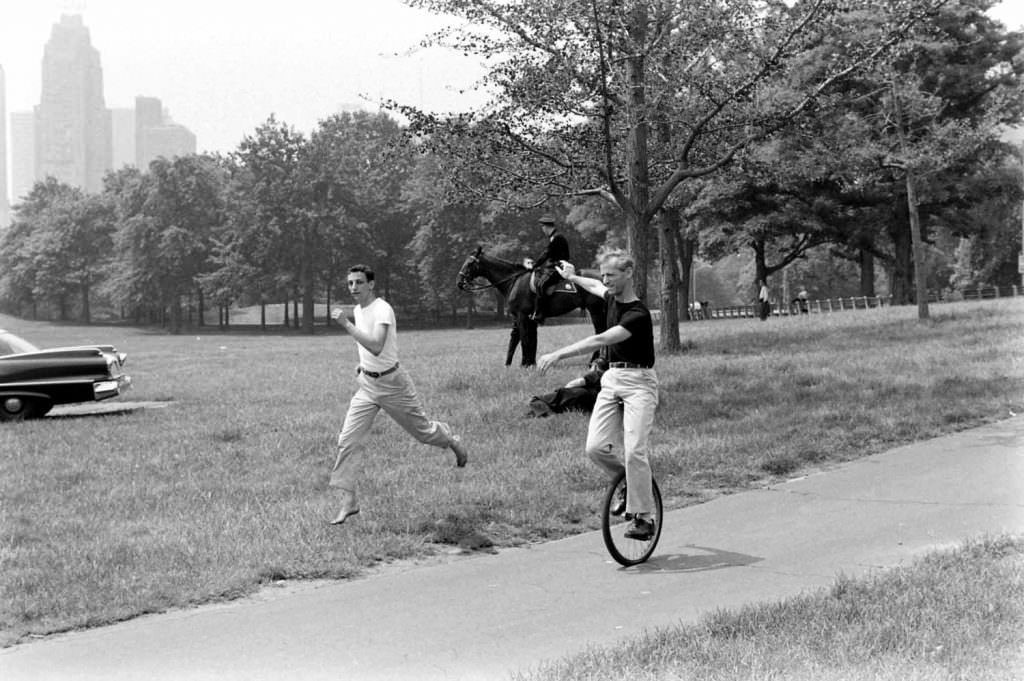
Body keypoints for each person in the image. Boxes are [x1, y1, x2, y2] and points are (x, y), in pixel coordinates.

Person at [328, 264, 468, 525]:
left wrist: (345, 324)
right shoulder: (359, 310)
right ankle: (349, 500)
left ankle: (450, 439)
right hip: (368, 386)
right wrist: (363, 367)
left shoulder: (383, 309)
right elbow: (368, 349)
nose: (353, 288)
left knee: (423, 432)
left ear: (371, 284)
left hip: (393, 384)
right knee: (348, 440)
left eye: (358, 282)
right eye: (350, 283)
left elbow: (377, 345)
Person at [537, 250, 659, 541]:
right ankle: (627, 482)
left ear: (629, 273)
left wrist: (558, 354)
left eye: (612, 275)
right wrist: (572, 276)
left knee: (634, 450)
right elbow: (594, 287)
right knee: (594, 448)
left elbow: (601, 339)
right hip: (611, 379)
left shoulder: (638, 314)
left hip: (639, 383)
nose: (606, 281)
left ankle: (644, 518)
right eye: (604, 275)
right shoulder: (612, 297)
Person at [527, 358, 608, 417]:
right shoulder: (609, 376)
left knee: (536, 400)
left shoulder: (597, 374)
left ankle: (549, 414)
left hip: (579, 394)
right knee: (562, 406)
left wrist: (563, 390)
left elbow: (578, 382)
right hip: (591, 404)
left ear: (595, 366)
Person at [530, 215, 570, 324]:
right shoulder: (554, 237)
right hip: (554, 266)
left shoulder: (557, 238)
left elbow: (546, 254)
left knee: (541, 284)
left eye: (542, 228)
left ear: (545, 227)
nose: (542, 230)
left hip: (558, 268)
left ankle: (541, 314)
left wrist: (535, 265)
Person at [505, 259, 534, 366]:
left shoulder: (531, 278)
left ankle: (526, 362)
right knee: (515, 338)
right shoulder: (520, 279)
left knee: (522, 338)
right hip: (519, 318)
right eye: (528, 263)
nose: (531, 265)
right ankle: (508, 362)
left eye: (532, 263)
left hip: (523, 317)